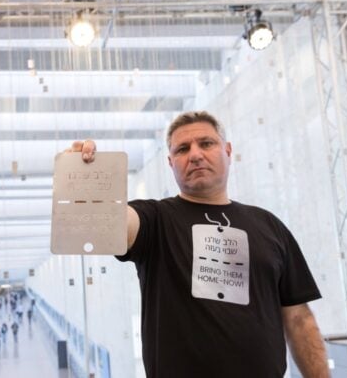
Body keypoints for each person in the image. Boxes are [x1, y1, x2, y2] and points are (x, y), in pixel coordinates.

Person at [69, 111, 329, 378]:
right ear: (171, 163)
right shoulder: (156, 220)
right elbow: (110, 226)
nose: (195, 155)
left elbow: (299, 319)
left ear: (227, 151)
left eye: (206, 143)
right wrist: (86, 180)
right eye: (182, 149)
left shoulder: (269, 226)